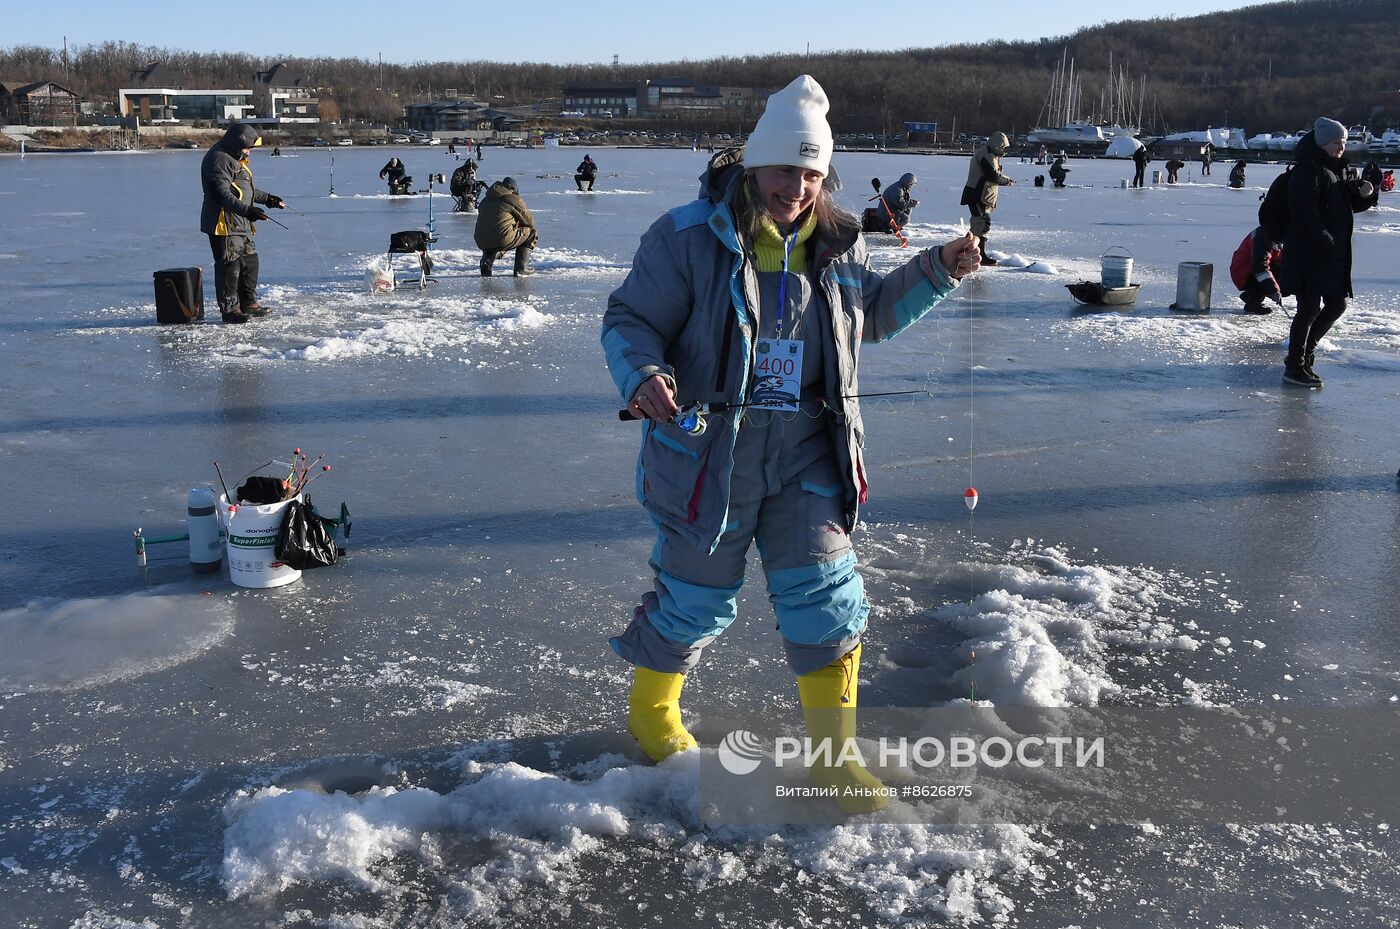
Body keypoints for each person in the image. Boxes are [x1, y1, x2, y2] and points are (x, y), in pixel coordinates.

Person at [600, 75, 981, 814]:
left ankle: (834, 758)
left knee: (827, 595)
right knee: (694, 598)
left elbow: (868, 317)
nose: (798, 188)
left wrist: (938, 270)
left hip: (810, 450)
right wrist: (644, 374)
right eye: (785, 171)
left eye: (812, 174)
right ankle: (651, 713)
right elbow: (629, 320)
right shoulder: (684, 238)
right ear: (754, 166)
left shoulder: (839, 242)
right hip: (708, 454)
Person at [1277, 117, 1377, 388]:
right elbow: (1304, 213)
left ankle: (1305, 353)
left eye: (1344, 142)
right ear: (1322, 143)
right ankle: (1295, 365)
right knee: (1308, 308)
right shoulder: (1307, 171)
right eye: (1336, 143)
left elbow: (1343, 207)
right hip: (1309, 252)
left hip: (1330, 254)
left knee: (1337, 304)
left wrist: (1367, 194)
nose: (1341, 148)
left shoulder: (1337, 170)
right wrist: (1326, 239)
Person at [199, 123, 284, 324]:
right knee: (230, 266)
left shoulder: (236, 157)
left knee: (249, 262)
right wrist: (248, 210)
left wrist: (268, 199)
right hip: (224, 223)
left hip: (240, 222)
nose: (249, 152)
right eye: (248, 147)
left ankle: (249, 303)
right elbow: (221, 193)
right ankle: (230, 309)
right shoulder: (219, 159)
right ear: (237, 144)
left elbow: (244, 189)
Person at [960, 131, 1014, 265]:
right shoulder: (986, 154)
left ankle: (973, 252)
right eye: (1003, 147)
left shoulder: (990, 154)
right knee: (981, 222)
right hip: (977, 194)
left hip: (982, 195)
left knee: (981, 223)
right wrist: (1006, 181)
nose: (1003, 150)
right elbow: (993, 175)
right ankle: (978, 255)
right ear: (997, 145)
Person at [474, 176, 538, 276]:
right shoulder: (512, 198)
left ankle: (486, 262)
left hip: (481, 240)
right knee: (531, 233)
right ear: (514, 188)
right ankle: (521, 269)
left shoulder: (486, 199)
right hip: (500, 238)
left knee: (494, 233)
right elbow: (530, 221)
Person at [1230, 226, 1284, 315]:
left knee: (1284, 271)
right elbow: (1260, 267)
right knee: (1278, 274)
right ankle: (1253, 303)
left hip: (1251, 270)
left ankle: (1250, 295)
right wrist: (1274, 290)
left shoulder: (1276, 232)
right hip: (1244, 272)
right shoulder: (1264, 236)